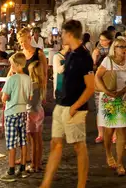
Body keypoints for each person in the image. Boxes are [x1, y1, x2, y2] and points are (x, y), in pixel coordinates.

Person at [40, 19, 94, 188]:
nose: (60, 36)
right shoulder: (70, 54)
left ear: (69, 34)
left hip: (74, 109)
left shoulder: (84, 57)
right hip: (61, 105)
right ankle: (46, 183)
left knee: (79, 147)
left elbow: (90, 87)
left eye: (62, 33)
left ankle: (81, 185)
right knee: (55, 144)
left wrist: (75, 107)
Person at [95, 36, 126, 176]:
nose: (124, 49)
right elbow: (97, 76)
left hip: (122, 98)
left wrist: (124, 90)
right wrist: (106, 91)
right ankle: (109, 153)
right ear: (114, 48)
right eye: (121, 47)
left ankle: (120, 163)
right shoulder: (107, 61)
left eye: (125, 47)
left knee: (122, 131)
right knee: (109, 131)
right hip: (108, 99)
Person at [0, 52, 32, 182]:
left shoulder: (11, 79)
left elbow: (4, 97)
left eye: (11, 64)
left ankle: (11, 170)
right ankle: (23, 168)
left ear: (17, 64)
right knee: (23, 140)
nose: (10, 66)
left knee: (11, 142)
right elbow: (30, 97)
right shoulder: (28, 79)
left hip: (11, 112)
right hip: (23, 111)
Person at [92, 30, 113, 144]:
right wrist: (94, 57)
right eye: (100, 40)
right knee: (99, 108)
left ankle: (112, 133)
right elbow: (92, 66)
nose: (101, 42)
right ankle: (100, 134)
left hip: (110, 81)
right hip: (98, 82)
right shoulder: (97, 50)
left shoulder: (114, 50)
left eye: (104, 40)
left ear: (109, 40)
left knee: (110, 107)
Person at [15, 27, 48, 97]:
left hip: (36, 88)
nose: (23, 44)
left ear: (29, 39)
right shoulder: (20, 55)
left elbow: (45, 72)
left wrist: (43, 89)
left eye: (25, 41)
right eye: (21, 42)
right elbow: (13, 71)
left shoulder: (39, 53)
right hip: (23, 88)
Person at [27, 61, 45, 173]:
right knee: (38, 140)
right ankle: (38, 163)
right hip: (39, 111)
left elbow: (30, 102)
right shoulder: (41, 83)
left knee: (33, 141)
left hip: (32, 113)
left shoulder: (32, 85)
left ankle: (34, 164)